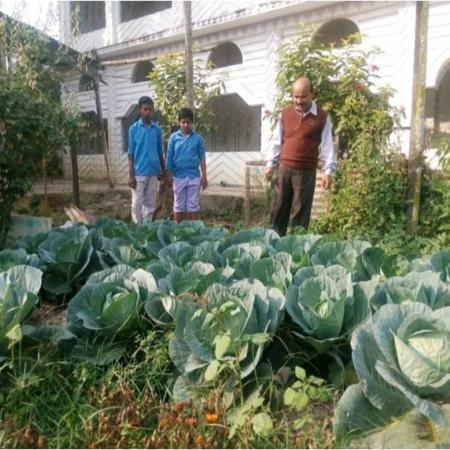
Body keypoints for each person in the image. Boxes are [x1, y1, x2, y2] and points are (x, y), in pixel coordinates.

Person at [265, 77, 337, 236]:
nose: (298, 101)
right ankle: (273, 244)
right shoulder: (285, 114)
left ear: (312, 94)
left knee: (300, 213)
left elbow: (327, 146)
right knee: (278, 209)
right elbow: (276, 140)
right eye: (295, 96)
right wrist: (270, 164)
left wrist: (328, 172)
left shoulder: (322, 117)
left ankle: (296, 249)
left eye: (303, 96)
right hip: (285, 169)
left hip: (306, 172)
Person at [166, 108, 208, 223]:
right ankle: (177, 231)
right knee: (178, 205)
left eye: (188, 122)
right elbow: (169, 156)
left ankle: (193, 231)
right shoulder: (173, 138)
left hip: (194, 176)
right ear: (179, 122)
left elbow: (202, 158)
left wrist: (204, 176)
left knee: (193, 205)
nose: (186, 125)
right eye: (183, 122)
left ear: (192, 123)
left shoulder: (198, 139)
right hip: (178, 176)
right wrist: (168, 174)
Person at [128, 96, 165, 223]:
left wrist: (162, 170)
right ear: (140, 110)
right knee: (137, 204)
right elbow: (130, 154)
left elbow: (160, 152)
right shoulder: (133, 129)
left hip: (153, 172)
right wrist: (131, 176)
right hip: (139, 173)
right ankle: (136, 229)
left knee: (150, 205)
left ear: (152, 110)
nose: (148, 111)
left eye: (150, 109)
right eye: (145, 109)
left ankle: (146, 229)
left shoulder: (157, 130)